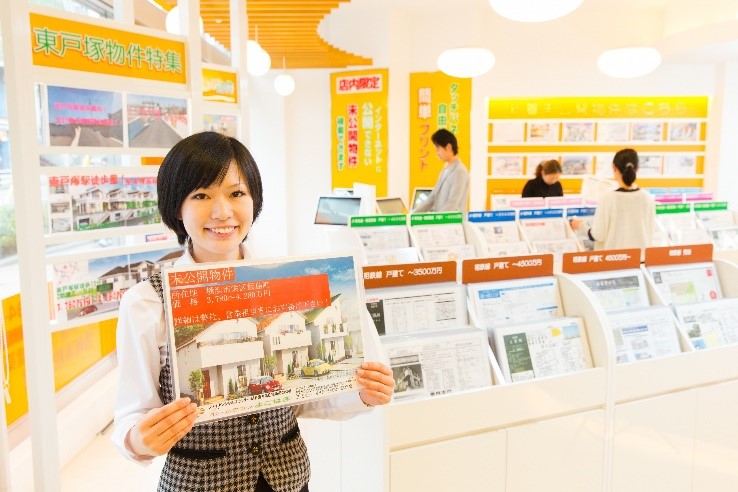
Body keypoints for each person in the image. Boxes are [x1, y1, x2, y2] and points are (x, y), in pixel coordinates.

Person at [111, 131, 395, 492]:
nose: (222, 212)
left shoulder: (286, 282)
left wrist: (361, 392)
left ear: (254, 200)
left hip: (288, 480)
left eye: (236, 193)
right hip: (199, 484)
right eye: (201, 195)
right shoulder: (147, 302)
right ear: (176, 206)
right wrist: (139, 440)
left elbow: (301, 397)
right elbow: (132, 416)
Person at [570, 148, 655, 256]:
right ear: (637, 169)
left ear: (614, 167)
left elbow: (598, 235)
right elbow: (651, 232)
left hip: (615, 261)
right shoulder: (647, 198)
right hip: (641, 260)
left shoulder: (608, 199)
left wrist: (581, 226)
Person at [412, 128, 469, 212]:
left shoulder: (459, 171)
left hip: (451, 220)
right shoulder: (445, 169)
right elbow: (432, 198)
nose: (437, 153)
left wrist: (438, 218)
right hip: (441, 219)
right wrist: (412, 214)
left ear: (448, 147)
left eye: (438, 149)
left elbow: (452, 204)